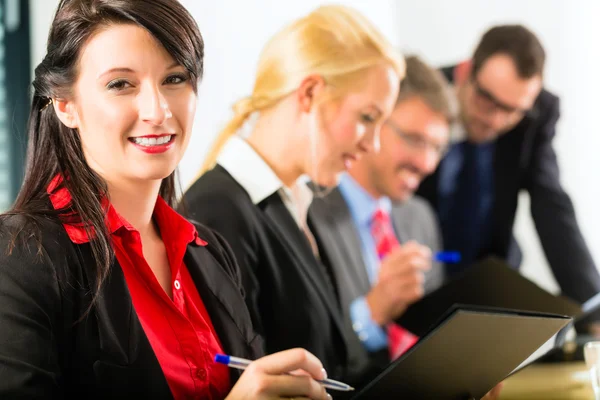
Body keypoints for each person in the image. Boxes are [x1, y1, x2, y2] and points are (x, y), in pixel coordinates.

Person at [0, 1, 331, 399]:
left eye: (175, 78)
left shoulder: (210, 253)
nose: (158, 111)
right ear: (66, 104)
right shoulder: (18, 256)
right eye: (121, 84)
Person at [183, 5, 404, 385]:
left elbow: (334, 373)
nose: (374, 143)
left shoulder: (299, 205)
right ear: (310, 92)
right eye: (368, 118)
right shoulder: (217, 210)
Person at [416, 24, 600, 305]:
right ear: (466, 72)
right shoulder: (418, 97)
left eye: (512, 111)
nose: (496, 121)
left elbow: (551, 204)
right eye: (487, 100)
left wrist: (592, 305)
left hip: (491, 274)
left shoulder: (536, 114)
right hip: (426, 271)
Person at [310, 55, 451, 380]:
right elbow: (306, 350)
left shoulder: (420, 217)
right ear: (373, 121)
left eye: (437, 147)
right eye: (415, 140)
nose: (427, 163)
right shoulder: (308, 213)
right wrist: (370, 314)